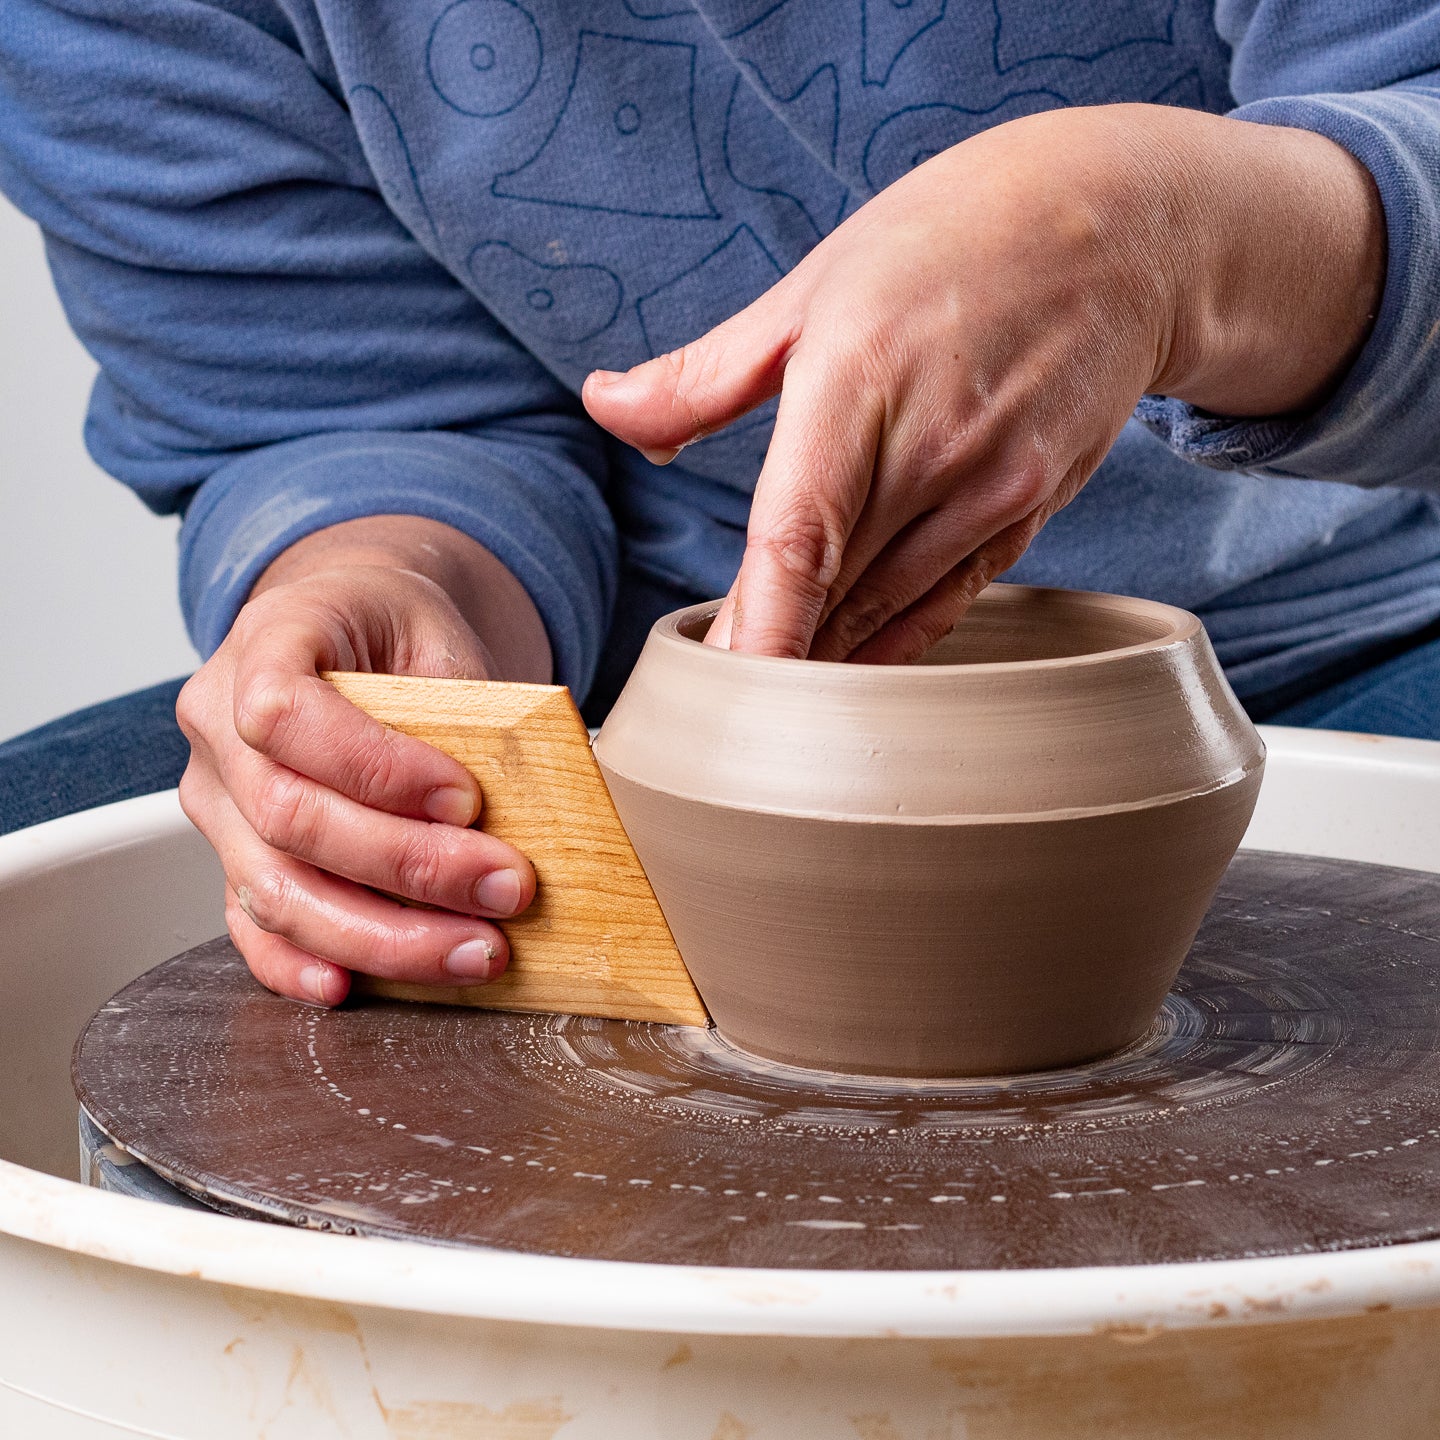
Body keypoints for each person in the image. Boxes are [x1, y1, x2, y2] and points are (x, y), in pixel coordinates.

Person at [2, 1, 1438, 1007]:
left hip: (1344, 617)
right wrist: (392, 583)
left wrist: (1175, 242)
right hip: (644, 698)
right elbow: (355, 395)